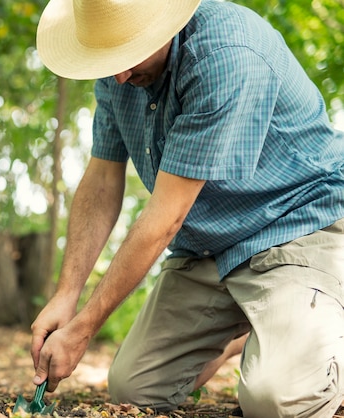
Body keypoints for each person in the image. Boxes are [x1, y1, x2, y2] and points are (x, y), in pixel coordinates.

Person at [30, 0, 344, 416]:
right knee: (134, 389)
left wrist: (83, 329)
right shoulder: (116, 72)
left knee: (276, 402)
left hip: (298, 224)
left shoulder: (227, 55)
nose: (120, 76)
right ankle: (261, 330)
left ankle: (317, 329)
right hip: (212, 246)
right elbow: (103, 179)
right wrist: (66, 295)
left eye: (128, 56)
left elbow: (165, 219)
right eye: (110, 62)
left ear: (163, 25)